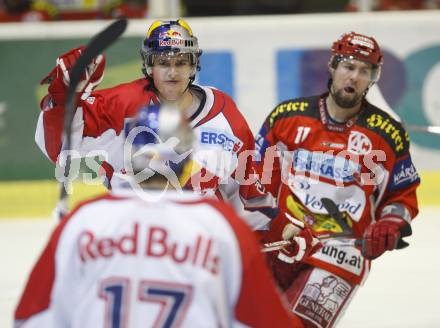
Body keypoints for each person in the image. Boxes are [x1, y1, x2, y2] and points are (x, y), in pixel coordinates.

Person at [16, 104, 304, 327]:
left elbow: (30, 318)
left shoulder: (85, 220)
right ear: (186, 157)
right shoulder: (217, 224)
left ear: (131, 152)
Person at [35, 18, 274, 229]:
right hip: (137, 241)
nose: (172, 72)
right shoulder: (121, 105)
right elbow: (58, 147)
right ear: (149, 65)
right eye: (163, 63)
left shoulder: (224, 113)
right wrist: (65, 94)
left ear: (193, 65)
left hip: (202, 249)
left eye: (180, 63)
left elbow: (249, 193)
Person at [255, 31, 420, 327]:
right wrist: (264, 225)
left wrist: (390, 223)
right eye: (348, 66)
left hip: (340, 253)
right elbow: (255, 178)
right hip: (283, 241)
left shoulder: (386, 135)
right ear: (332, 66)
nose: (354, 76)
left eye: (364, 70)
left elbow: (402, 195)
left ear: (373, 78)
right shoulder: (286, 117)